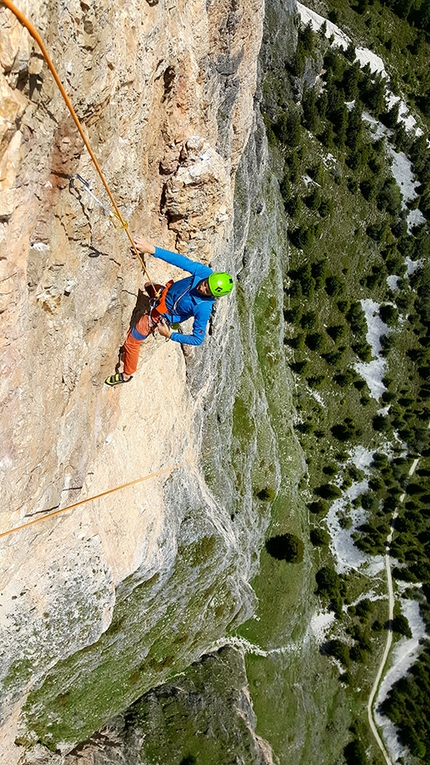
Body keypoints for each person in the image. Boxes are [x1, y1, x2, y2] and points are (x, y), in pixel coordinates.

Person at [105, 235, 234, 386]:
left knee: (132, 342)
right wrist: (152, 249)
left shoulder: (203, 308)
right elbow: (181, 261)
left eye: (207, 290)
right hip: (164, 294)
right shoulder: (205, 273)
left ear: (213, 295)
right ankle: (156, 299)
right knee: (148, 285)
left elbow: (198, 340)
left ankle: (127, 375)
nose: (202, 287)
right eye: (206, 283)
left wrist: (170, 335)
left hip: (161, 314)